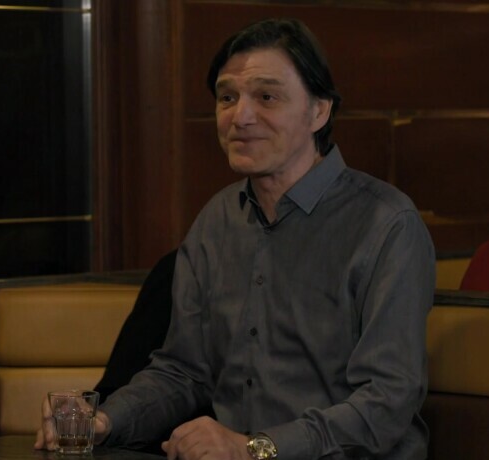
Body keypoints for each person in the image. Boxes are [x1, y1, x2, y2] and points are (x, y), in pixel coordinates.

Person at [36, 18, 435, 460]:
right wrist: (104, 420)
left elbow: (387, 401)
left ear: (319, 111)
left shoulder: (387, 223)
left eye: (266, 97)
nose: (240, 117)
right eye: (227, 97)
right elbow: (184, 373)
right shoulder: (217, 220)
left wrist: (257, 448)